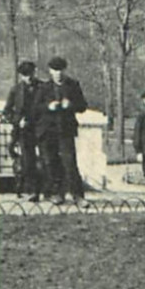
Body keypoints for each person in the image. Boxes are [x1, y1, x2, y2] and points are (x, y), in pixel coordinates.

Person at [34, 56, 88, 204]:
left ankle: (78, 195)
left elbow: (83, 106)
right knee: (50, 162)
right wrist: (47, 107)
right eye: (54, 70)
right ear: (50, 71)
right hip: (48, 130)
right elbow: (35, 108)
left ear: (65, 70)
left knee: (69, 162)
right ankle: (55, 194)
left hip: (65, 130)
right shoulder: (43, 88)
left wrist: (70, 105)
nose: (58, 73)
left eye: (60, 70)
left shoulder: (73, 85)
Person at [2, 60, 45, 201]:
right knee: (28, 161)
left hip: (41, 129)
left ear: (35, 72)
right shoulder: (15, 90)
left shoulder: (43, 88)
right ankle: (32, 191)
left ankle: (49, 191)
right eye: (25, 75)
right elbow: (7, 111)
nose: (28, 77)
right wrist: (17, 121)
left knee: (47, 159)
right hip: (24, 130)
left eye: (30, 73)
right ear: (21, 75)